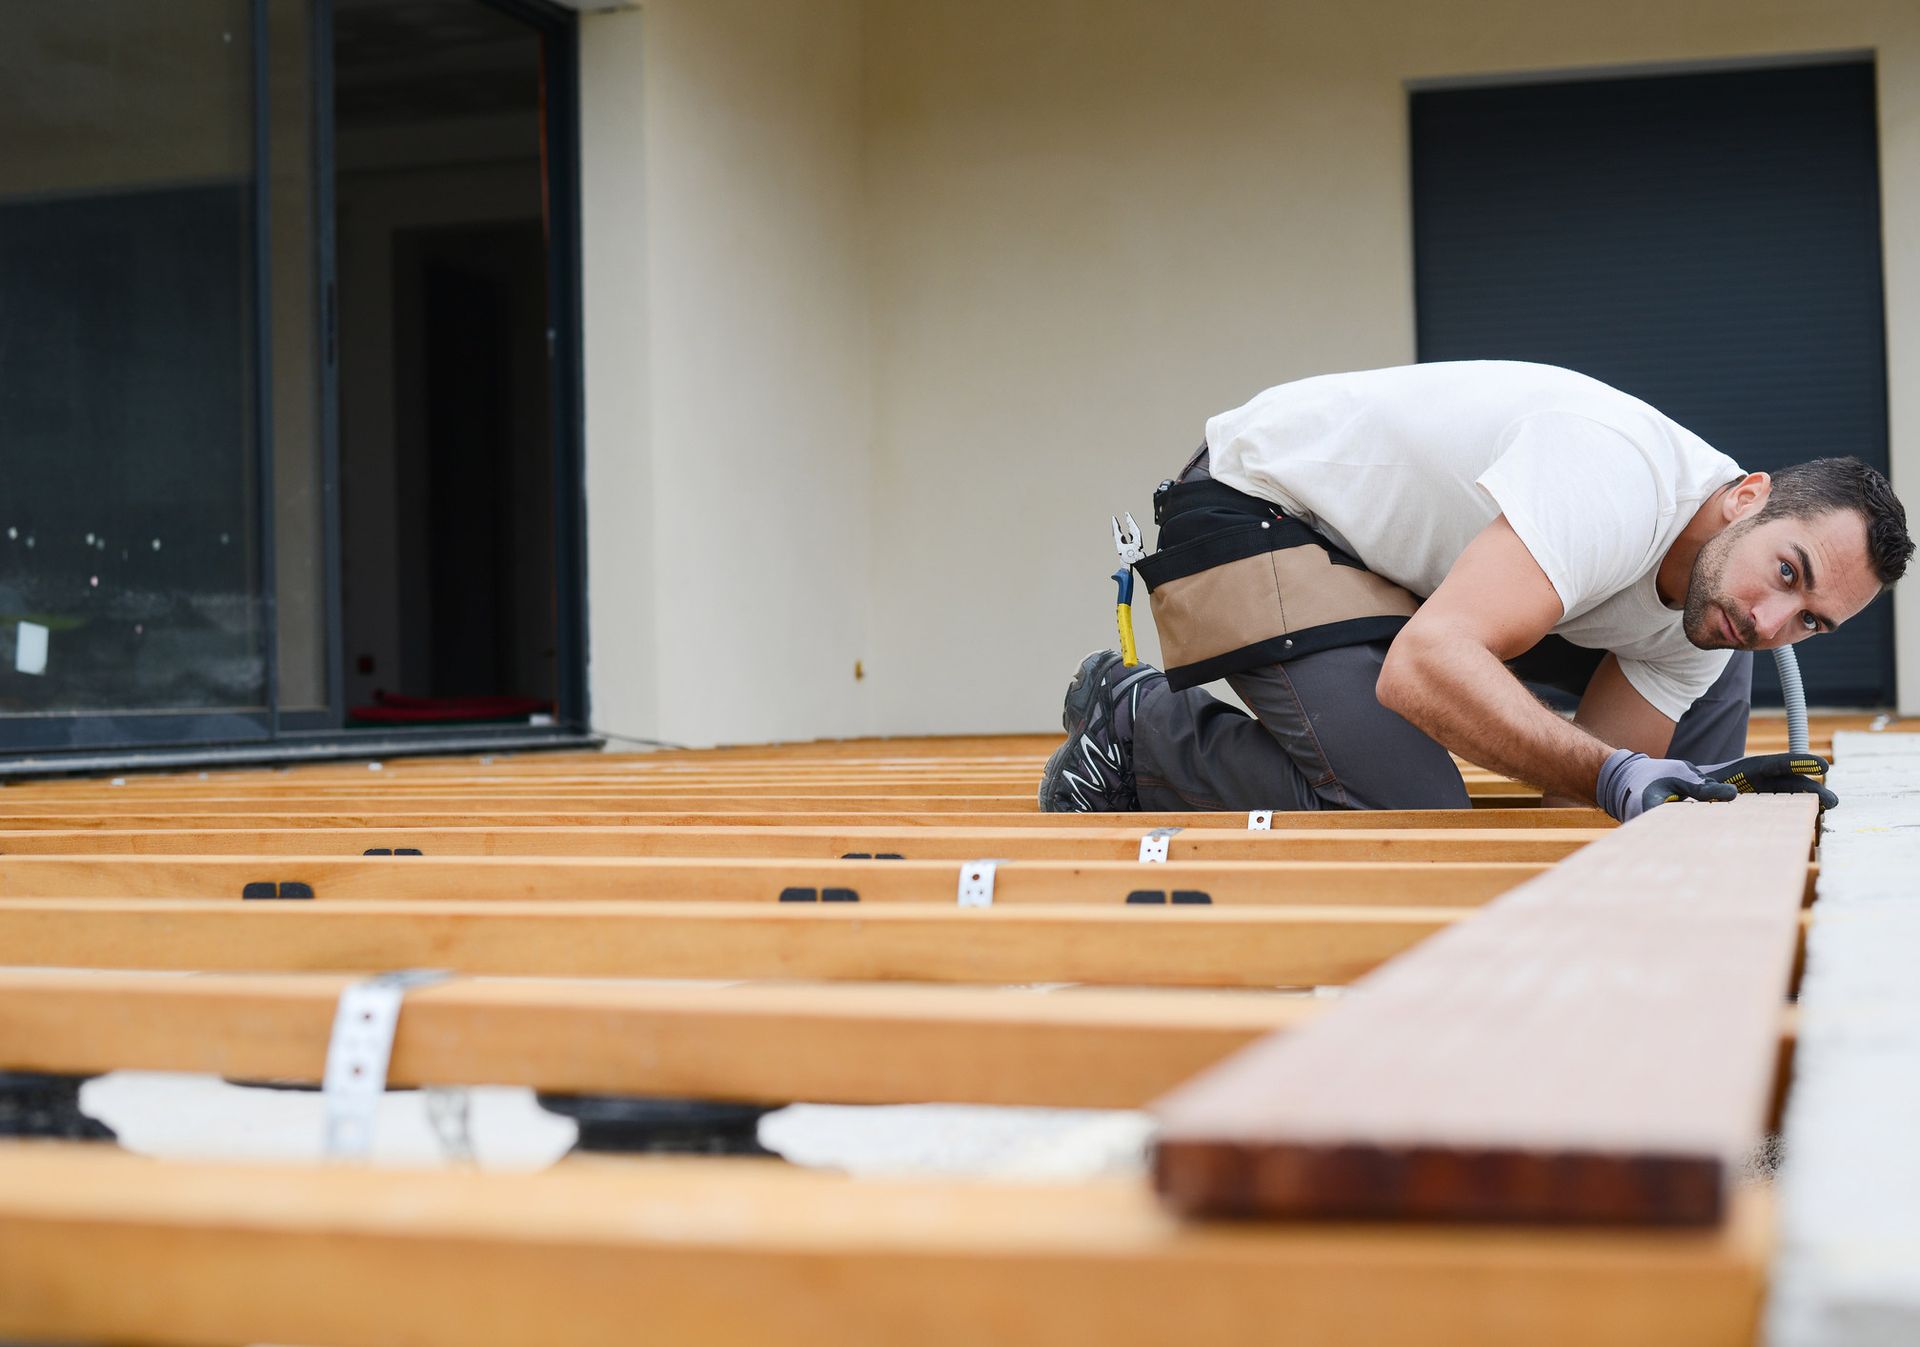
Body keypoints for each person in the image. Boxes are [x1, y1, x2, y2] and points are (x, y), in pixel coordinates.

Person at [1038, 361, 1912, 821]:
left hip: (1398, 574)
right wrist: (1614, 775)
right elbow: (1424, 670)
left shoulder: (1714, 612)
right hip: (1264, 507)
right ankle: (1138, 722)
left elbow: (1577, 794)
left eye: (1811, 621)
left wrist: (1641, 797)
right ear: (1750, 495)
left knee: (1719, 671)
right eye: (1788, 572)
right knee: (1409, 811)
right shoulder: (1616, 481)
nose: (1770, 618)